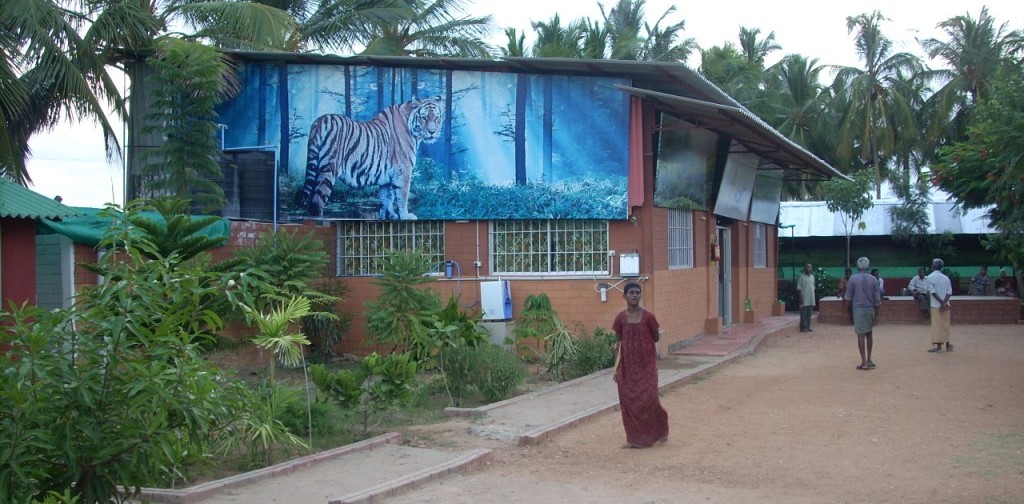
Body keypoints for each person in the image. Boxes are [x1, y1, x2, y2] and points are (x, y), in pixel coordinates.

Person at [612, 282, 669, 448]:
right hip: (628, 368)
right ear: (624, 296)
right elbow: (618, 343)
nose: (635, 295)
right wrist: (616, 368)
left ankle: (659, 430)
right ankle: (633, 439)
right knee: (629, 402)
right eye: (631, 293)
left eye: (637, 292)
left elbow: (655, 337)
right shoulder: (620, 319)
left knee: (650, 399)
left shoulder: (649, 317)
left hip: (647, 366)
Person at [845, 257, 881, 370]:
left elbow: (848, 298)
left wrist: (847, 312)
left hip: (858, 310)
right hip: (870, 309)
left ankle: (864, 362)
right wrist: (877, 315)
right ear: (868, 267)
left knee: (860, 335)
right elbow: (877, 301)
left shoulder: (853, 279)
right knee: (869, 334)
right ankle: (869, 359)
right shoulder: (874, 280)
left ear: (857, 267)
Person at [926, 258, 954, 353]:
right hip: (946, 305)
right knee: (945, 324)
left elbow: (933, 292)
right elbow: (949, 292)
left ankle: (938, 346)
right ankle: (948, 345)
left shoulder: (929, 277)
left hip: (935, 305)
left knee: (937, 325)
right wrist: (944, 303)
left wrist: (941, 303)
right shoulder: (946, 278)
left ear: (934, 266)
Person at [796, 263, 816, 332]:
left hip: (811, 298)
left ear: (811, 269)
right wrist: (800, 298)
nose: (809, 268)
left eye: (810, 267)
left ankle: (808, 327)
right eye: (807, 267)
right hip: (804, 297)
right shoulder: (801, 277)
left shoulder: (812, 277)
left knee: (809, 314)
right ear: (805, 268)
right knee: (803, 314)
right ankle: (803, 328)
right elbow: (799, 288)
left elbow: (813, 286)